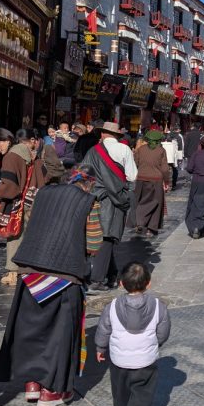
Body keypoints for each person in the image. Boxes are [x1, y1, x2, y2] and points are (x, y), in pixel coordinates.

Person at [0, 174, 96, 406]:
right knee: (60, 333)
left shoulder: (42, 195)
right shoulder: (90, 201)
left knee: (31, 328)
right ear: (88, 185)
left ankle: (32, 384)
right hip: (64, 274)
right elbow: (94, 242)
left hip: (30, 271)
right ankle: (52, 391)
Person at [95, 261, 171, 406]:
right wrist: (155, 344)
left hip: (119, 358)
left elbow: (103, 329)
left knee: (119, 384)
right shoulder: (159, 306)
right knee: (143, 388)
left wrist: (100, 347)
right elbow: (163, 332)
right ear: (149, 283)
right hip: (146, 359)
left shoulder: (112, 307)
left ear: (121, 283)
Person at [80, 122, 138, 291]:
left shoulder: (92, 151)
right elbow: (132, 176)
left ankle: (111, 274)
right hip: (116, 198)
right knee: (108, 237)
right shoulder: (124, 150)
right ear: (116, 135)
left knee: (106, 235)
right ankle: (98, 279)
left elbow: (82, 174)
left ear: (103, 134)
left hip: (96, 198)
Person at [0, 127, 43, 287]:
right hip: (32, 199)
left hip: (17, 202)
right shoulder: (28, 152)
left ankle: (13, 272)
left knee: (14, 236)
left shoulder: (11, 157)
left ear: (7, 141)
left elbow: (9, 185)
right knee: (27, 235)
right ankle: (28, 268)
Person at [133, 129, 171, 236]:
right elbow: (164, 168)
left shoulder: (141, 149)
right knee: (156, 203)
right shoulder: (161, 150)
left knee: (141, 200)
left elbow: (135, 163)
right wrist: (167, 181)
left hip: (141, 179)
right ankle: (151, 228)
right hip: (156, 180)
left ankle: (140, 222)